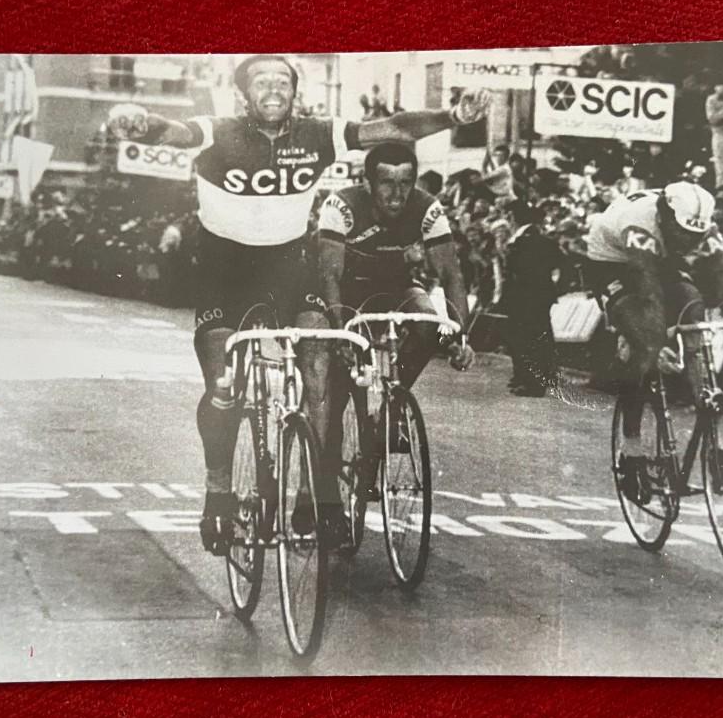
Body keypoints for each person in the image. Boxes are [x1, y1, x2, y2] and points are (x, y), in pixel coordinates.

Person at [106, 54, 490, 554]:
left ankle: (318, 496)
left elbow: (392, 127)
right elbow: (168, 130)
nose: (273, 88)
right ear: (245, 91)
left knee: (319, 361)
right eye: (261, 80)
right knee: (221, 389)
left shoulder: (318, 133)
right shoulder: (215, 130)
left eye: (282, 80)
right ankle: (217, 493)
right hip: (224, 271)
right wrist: (135, 122)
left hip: (288, 267)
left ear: (294, 91)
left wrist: (451, 118)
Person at [317, 143, 475, 538]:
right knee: (334, 398)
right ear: (368, 183)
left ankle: (393, 398)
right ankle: (325, 500)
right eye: (386, 182)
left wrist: (459, 334)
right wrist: (339, 329)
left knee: (430, 323)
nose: (396, 194)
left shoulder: (428, 208)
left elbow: (451, 275)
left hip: (397, 288)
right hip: (346, 293)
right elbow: (330, 275)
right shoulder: (342, 205)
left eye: (405, 182)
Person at [583, 182, 723, 501]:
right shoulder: (641, 222)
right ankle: (631, 453)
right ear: (666, 216)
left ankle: (717, 452)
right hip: (612, 264)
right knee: (645, 346)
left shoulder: (707, 231)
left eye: (695, 236)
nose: (688, 241)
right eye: (682, 233)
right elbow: (648, 290)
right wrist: (652, 342)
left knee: (693, 307)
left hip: (660, 262)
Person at [501, 200, 567, 396]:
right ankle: (542, 377)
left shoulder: (523, 240)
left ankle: (533, 383)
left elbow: (515, 269)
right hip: (539, 295)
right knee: (541, 336)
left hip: (525, 296)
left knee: (528, 338)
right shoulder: (542, 239)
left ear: (514, 217)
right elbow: (561, 262)